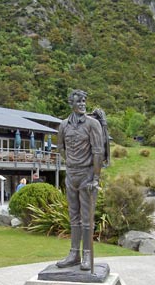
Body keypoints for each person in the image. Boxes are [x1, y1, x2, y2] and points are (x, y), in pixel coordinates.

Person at [56, 89, 104, 271]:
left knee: (86, 218)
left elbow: (98, 151)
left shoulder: (93, 124)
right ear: (71, 104)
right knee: (73, 216)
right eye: (79, 101)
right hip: (71, 175)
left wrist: (96, 178)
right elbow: (61, 147)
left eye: (84, 101)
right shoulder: (63, 125)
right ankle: (74, 253)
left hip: (87, 176)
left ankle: (87, 254)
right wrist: (70, 163)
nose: (83, 104)